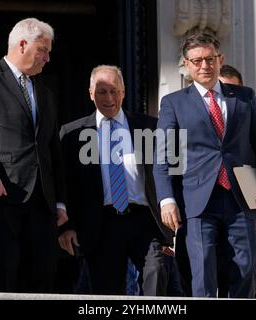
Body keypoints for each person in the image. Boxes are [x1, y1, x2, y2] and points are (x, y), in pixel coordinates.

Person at [153, 32, 256, 298]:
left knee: (246, 270)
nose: (204, 66)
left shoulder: (244, 98)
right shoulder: (173, 103)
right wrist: (166, 199)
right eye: (197, 61)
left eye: (210, 59)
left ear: (219, 59)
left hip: (242, 199)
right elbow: (163, 155)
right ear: (186, 65)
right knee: (202, 273)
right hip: (198, 201)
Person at [0, 18, 67, 293]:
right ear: (22, 44)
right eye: (43, 50)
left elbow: (52, 148)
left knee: (42, 276)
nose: (47, 58)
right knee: (5, 273)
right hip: (3, 194)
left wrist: (61, 202)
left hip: (42, 202)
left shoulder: (43, 91)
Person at [58, 65, 174, 295]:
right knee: (107, 291)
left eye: (114, 91)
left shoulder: (151, 127)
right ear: (90, 93)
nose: (109, 98)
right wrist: (67, 226)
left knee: (157, 273)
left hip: (145, 219)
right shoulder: (71, 133)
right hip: (101, 224)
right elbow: (64, 184)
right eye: (102, 91)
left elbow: (173, 173)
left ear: (124, 92)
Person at [218, 64, 256, 297]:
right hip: (208, 221)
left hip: (247, 220)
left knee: (245, 284)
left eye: (234, 90)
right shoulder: (196, 128)